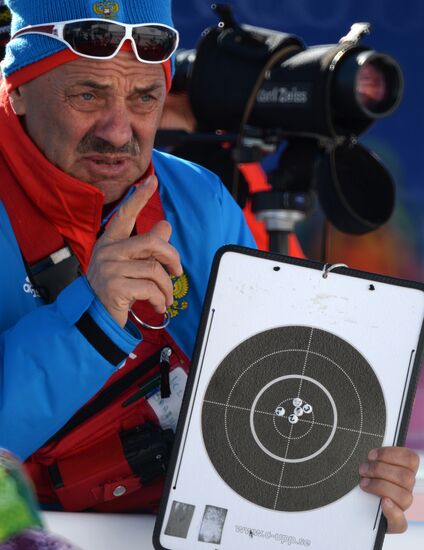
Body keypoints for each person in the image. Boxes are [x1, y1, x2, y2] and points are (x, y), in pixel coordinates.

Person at [0, 0, 418, 534]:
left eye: (146, 97)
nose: (117, 130)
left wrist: (343, 473)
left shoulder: (197, 198)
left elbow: (264, 400)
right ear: (17, 91)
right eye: (88, 94)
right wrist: (93, 322)